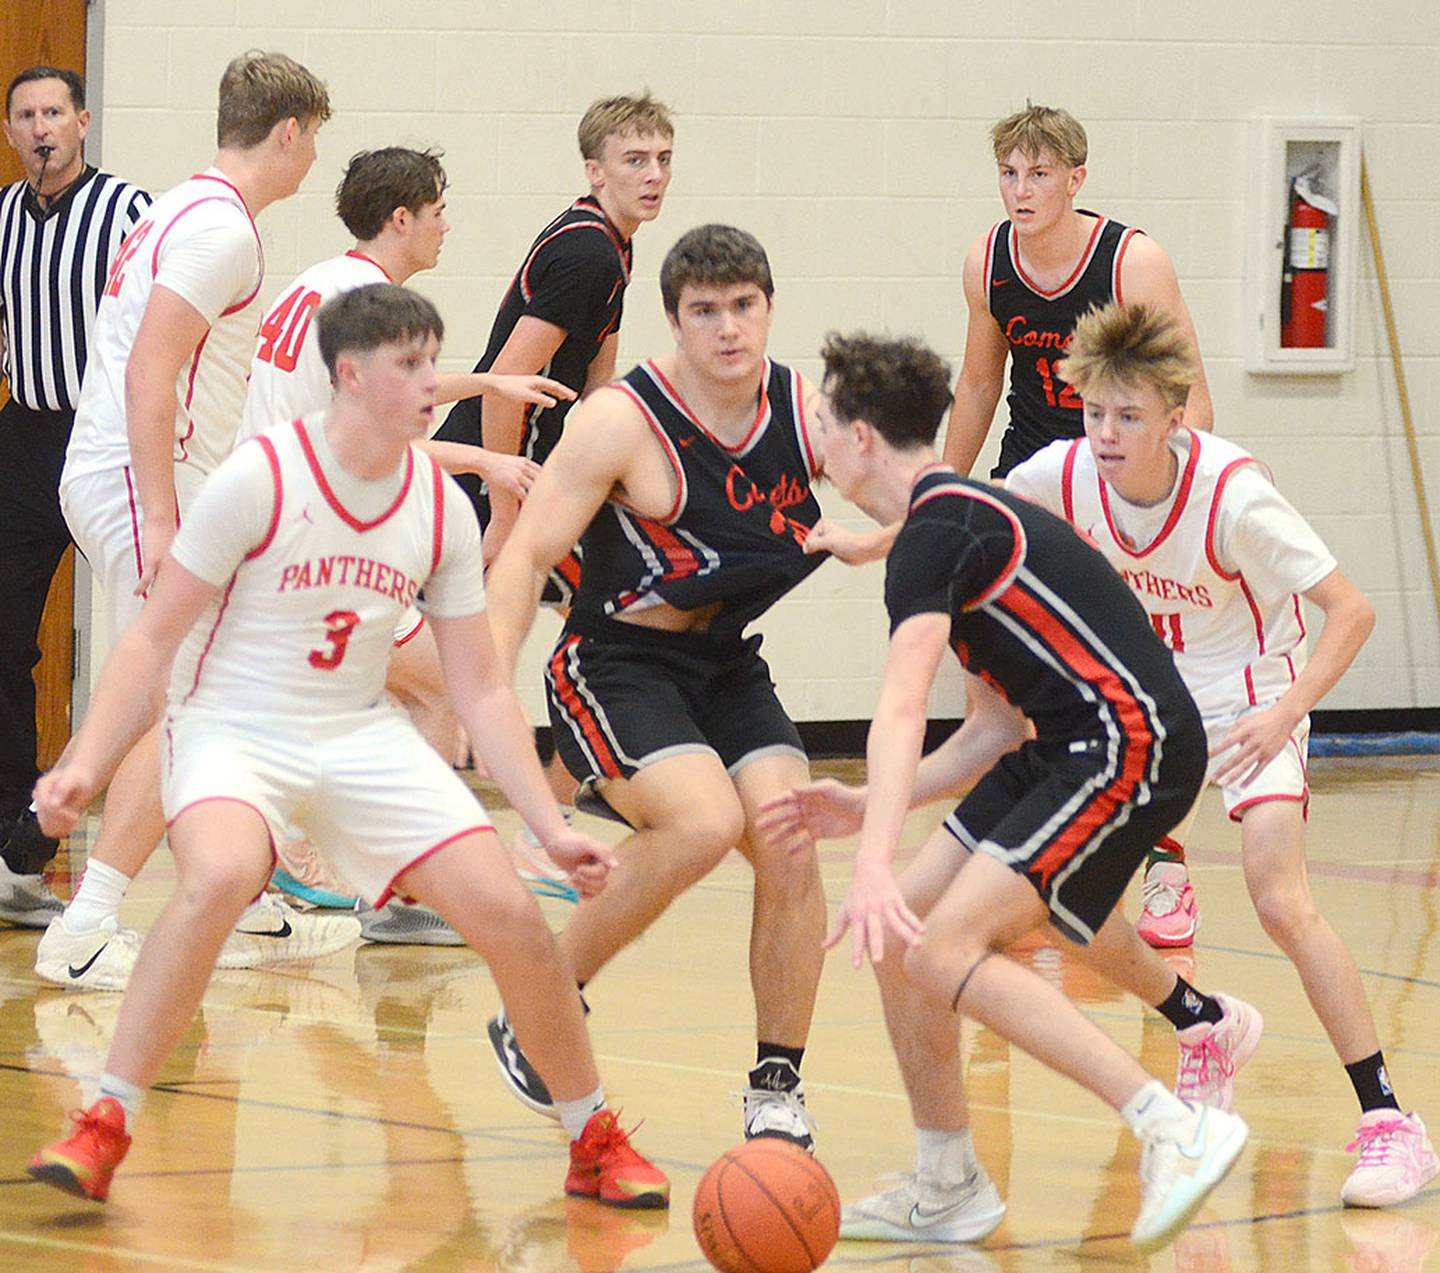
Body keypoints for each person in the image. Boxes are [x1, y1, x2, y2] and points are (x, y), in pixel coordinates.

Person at [25, 283, 668, 1212]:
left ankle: (591, 1135)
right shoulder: (260, 477)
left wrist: (545, 821)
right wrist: (82, 763)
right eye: (410, 365)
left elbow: (479, 686)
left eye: (431, 361)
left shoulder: (438, 510)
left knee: (512, 913)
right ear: (350, 376)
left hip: (357, 731)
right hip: (234, 725)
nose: (430, 384)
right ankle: (105, 1121)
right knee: (217, 877)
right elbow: (150, 638)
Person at [772, 330, 1248, 1251]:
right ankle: (949, 1179)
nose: (812, 432)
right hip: (1063, 747)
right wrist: (875, 807)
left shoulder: (940, 527)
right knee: (904, 933)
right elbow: (991, 727)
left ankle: (1172, 1125)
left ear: (862, 439)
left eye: (823, 419)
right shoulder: (940, 526)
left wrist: (870, 859)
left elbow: (903, 704)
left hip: (1127, 743)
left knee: (943, 947)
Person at [1004, 301, 1438, 1208]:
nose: (1109, 434)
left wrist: (1287, 711)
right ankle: (1200, 1023)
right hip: (1148, 699)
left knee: (1277, 892)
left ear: (1174, 412)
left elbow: (1351, 609)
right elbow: (965, 520)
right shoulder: (1065, 471)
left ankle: (1389, 1118)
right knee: (1058, 894)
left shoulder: (1233, 493)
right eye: (1096, 413)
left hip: (1250, 691)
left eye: (1130, 416)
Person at [483, 225, 828, 1148]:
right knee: (707, 821)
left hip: (723, 661)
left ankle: (776, 1083)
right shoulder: (620, 419)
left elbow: (920, 497)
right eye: (704, 311)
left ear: (768, 307)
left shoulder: (808, 411)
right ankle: (540, 1003)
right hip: (615, 662)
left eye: (743, 306)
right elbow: (525, 556)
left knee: (789, 842)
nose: (727, 328)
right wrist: (488, 679)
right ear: (674, 320)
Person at [34, 51, 358, 991]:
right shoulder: (224, 233)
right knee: (187, 704)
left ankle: (239, 898)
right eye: (313, 142)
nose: (311, 162)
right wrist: (165, 513)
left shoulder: (180, 206)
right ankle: (89, 924)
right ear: (291, 133)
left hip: (139, 476)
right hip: (144, 480)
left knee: (206, 696)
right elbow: (151, 372)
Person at [238, 144, 574, 941]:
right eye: (438, 212)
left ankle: (339, 867)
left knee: (387, 700)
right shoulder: (363, 303)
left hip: (284, 536)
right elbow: (385, 435)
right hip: (312, 543)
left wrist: (488, 384)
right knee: (445, 689)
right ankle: (374, 884)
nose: (446, 226)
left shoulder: (326, 283)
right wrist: (488, 457)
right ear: (402, 218)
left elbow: (393, 394)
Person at [944, 104, 1214, 945]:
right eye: (1009, 174)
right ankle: (1010, 852)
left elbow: (1189, 390)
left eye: (1038, 174)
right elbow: (980, 384)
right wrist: (943, 491)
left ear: (1075, 179)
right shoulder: (990, 258)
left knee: (1139, 674)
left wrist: (1180, 497)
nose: (1021, 191)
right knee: (994, 657)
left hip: (1127, 468)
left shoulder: (1134, 261)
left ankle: (1166, 863)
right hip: (1037, 474)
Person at [433, 92, 673, 836]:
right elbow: (508, 380)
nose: (654, 174)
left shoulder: (612, 242)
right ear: (594, 170)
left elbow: (596, 385)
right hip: (492, 477)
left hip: (534, 480)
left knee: (615, 619)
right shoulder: (590, 251)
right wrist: (504, 509)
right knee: (429, 669)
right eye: (635, 160)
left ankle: (564, 796)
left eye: (664, 159)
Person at [0, 66, 150, 923]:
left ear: (83, 123)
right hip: (26, 434)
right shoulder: (3, 216)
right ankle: (12, 840)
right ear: (12, 130)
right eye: (26, 115)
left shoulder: (130, 212)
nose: (42, 127)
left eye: (55, 111)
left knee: (147, 636)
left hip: (109, 439)